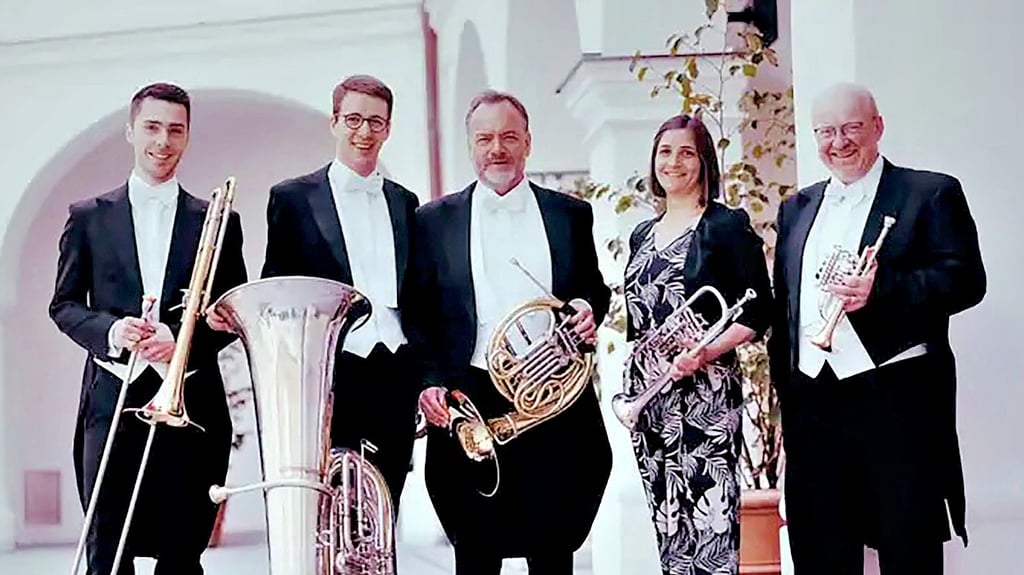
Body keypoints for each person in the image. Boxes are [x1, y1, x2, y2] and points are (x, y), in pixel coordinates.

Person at [768, 82, 986, 574]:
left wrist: (883, 289)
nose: (838, 141)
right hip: (813, 405)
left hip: (896, 401)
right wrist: (790, 406)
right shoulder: (796, 209)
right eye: (826, 131)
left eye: (851, 128)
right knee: (819, 548)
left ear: (878, 127)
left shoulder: (929, 193)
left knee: (908, 547)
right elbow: (787, 309)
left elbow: (967, 280)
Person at [405, 90, 612, 575]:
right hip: (472, 394)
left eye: (508, 137)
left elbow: (591, 287)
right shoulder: (433, 220)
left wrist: (586, 307)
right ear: (471, 146)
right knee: (475, 550)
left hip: (553, 394)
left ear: (527, 143)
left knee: (553, 547)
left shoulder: (569, 214)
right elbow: (419, 312)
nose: (497, 148)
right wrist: (429, 381)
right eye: (485, 138)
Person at [49, 82, 248, 575]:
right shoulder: (88, 218)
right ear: (131, 131)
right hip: (112, 403)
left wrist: (182, 341)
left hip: (191, 404)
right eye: (153, 128)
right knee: (107, 553)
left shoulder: (219, 220)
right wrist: (114, 331)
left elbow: (230, 315)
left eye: (175, 130)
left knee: (182, 553)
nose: (163, 141)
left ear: (187, 137)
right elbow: (65, 306)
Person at [252, 74, 420, 507]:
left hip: (396, 371)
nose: (364, 132)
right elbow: (280, 289)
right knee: (331, 505)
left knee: (387, 503)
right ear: (335, 123)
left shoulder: (406, 202)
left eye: (376, 122)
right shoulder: (292, 199)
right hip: (332, 371)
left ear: (388, 128)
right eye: (354, 119)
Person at [622, 113, 772, 575]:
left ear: (704, 161)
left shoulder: (725, 225)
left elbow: (757, 309)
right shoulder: (642, 234)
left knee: (709, 523)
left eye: (687, 152)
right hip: (652, 398)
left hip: (703, 395)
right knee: (668, 524)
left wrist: (706, 351)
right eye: (665, 152)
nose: (674, 162)